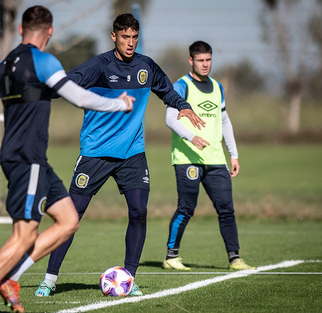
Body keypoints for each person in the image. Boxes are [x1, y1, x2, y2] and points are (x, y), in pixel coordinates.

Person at [0, 5, 135, 313]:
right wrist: (118, 104)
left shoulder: (2, 66)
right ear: (50, 32)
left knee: (68, 221)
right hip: (27, 160)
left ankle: (10, 277)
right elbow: (78, 96)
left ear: (19, 30)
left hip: (30, 160)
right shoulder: (44, 61)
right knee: (24, 234)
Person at [32, 13, 205, 297]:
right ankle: (49, 280)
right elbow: (65, 85)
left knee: (138, 213)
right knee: (71, 218)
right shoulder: (98, 66)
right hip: (95, 153)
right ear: (113, 36)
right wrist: (40, 93)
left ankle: (130, 278)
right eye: (125, 37)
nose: (130, 43)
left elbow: (167, 90)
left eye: (135, 38)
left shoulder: (146, 66)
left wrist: (183, 105)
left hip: (132, 154)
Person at [161, 41, 255, 271]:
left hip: (216, 160)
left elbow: (224, 121)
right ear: (190, 60)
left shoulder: (217, 87)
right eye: (201, 60)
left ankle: (235, 258)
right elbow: (170, 118)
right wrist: (191, 137)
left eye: (208, 60)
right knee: (186, 208)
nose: (205, 64)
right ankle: (171, 257)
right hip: (188, 159)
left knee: (226, 209)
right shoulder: (181, 86)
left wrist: (233, 153)